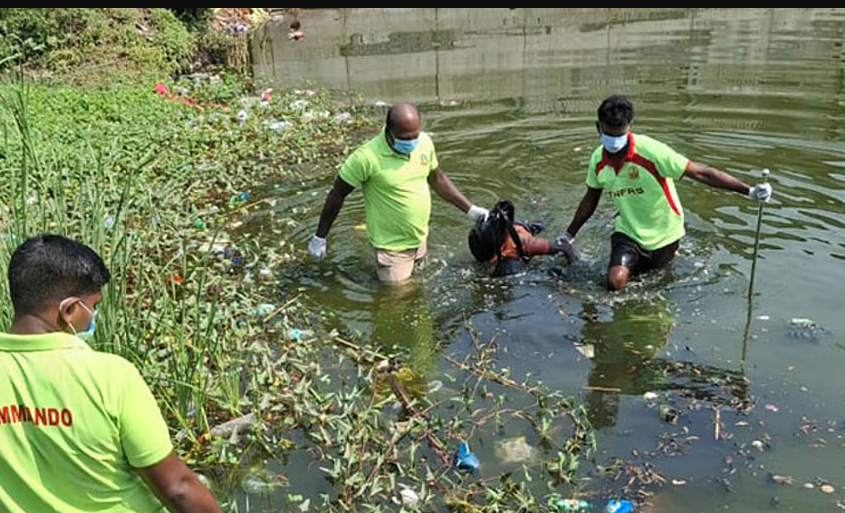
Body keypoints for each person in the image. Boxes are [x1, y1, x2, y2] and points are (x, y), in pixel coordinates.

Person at [0, 233, 222, 513]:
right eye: (93, 306)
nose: (93, 316)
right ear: (69, 309)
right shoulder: (112, 377)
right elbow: (178, 489)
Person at [561, 93, 774, 291]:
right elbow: (591, 198)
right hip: (628, 231)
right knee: (615, 282)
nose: (615, 142)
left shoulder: (652, 152)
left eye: (620, 135)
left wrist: (749, 190)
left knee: (653, 279)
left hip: (665, 233)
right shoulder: (598, 160)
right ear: (598, 127)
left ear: (630, 126)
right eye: (609, 134)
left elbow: (701, 173)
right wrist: (569, 235)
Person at [308, 101, 489, 284]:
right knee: (397, 297)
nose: (411, 143)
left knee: (419, 287)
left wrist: (470, 210)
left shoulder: (424, 143)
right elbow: (337, 195)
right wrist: (320, 237)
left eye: (414, 136)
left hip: (419, 238)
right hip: (391, 249)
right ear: (389, 132)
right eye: (404, 138)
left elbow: (438, 179)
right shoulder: (366, 158)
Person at [468, 199, 578, 277]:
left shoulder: (524, 244)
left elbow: (565, 247)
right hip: (506, 228)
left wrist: (573, 271)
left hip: (522, 227)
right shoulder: (481, 244)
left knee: (541, 224)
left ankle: (541, 204)